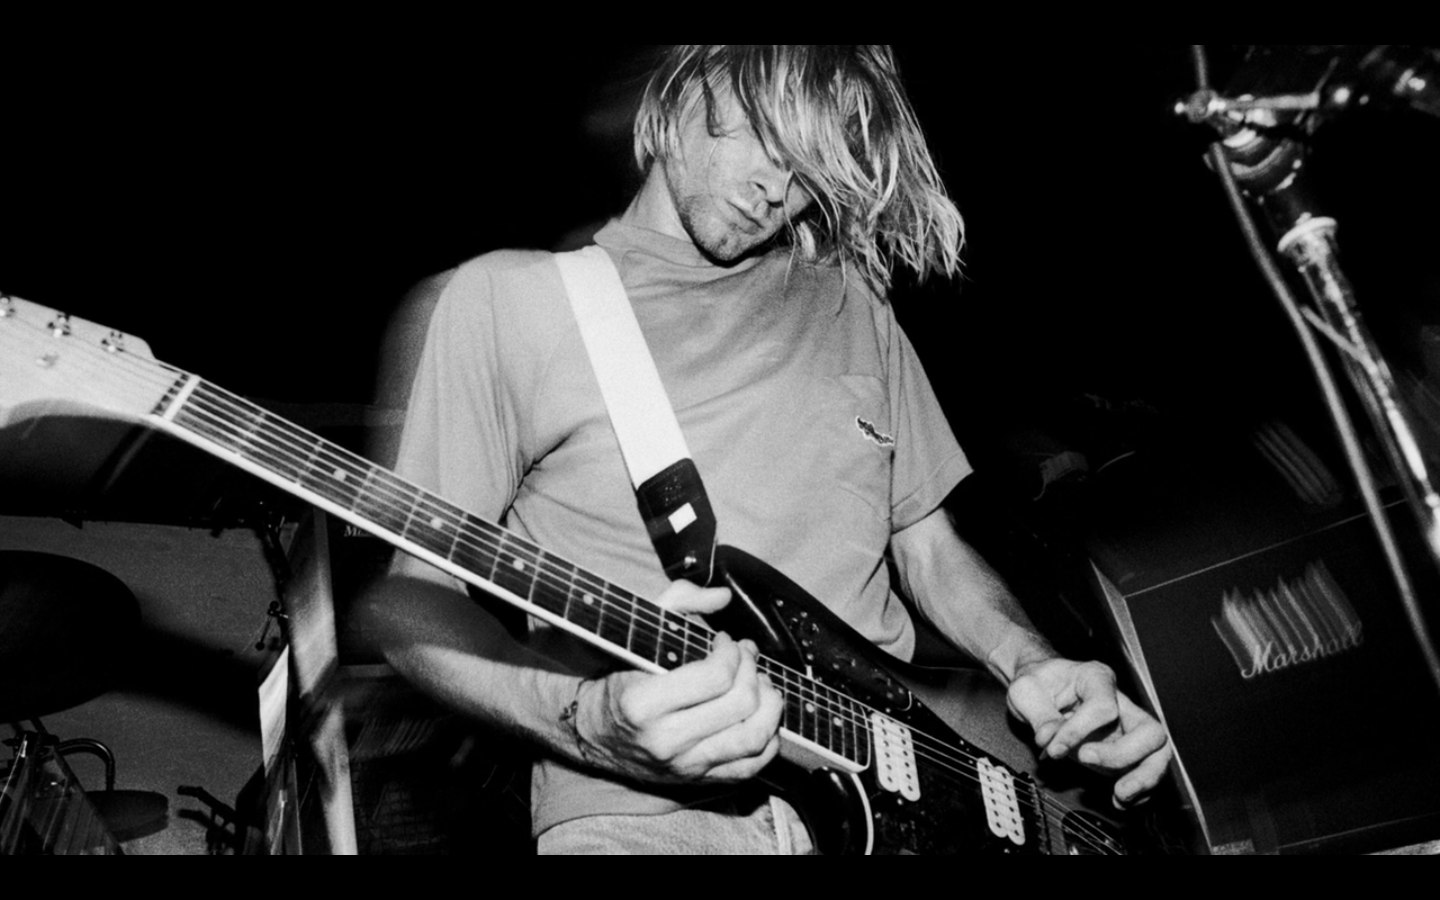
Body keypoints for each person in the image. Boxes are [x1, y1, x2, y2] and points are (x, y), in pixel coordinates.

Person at [359, 45, 1171, 854]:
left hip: (922, 791)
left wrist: (1032, 666)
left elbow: (926, 549)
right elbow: (411, 603)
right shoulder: (512, 303)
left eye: (808, 166)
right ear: (681, 95)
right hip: (650, 818)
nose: (777, 190)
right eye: (762, 138)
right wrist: (585, 727)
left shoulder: (851, 301)